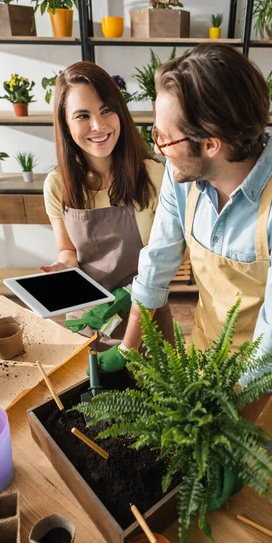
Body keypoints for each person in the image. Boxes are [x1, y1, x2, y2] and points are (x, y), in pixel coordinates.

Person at [97, 43, 272, 441]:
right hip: (206, 351)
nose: (157, 147)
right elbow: (157, 262)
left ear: (210, 144)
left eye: (163, 138)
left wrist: (227, 432)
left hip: (265, 380)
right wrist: (130, 347)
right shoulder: (180, 172)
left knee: (248, 478)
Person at [40, 61, 174, 350]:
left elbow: (175, 252)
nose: (98, 126)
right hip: (88, 317)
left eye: (106, 110)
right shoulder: (57, 185)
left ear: (120, 112)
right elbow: (68, 250)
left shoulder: (154, 176)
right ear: (65, 123)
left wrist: (131, 294)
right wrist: (62, 268)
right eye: (82, 116)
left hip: (146, 316)